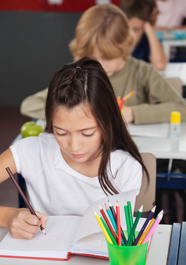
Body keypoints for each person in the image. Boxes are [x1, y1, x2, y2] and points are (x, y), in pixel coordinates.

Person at [0, 57, 148, 239]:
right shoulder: (32, 151)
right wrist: (6, 217)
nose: (74, 146)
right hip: (44, 259)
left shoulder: (125, 167)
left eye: (87, 133)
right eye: (61, 133)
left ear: (107, 122)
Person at [20, 4, 186, 124]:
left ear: (124, 48)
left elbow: (183, 109)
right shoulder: (78, 73)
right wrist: (78, 115)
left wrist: (133, 114)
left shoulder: (141, 72)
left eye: (108, 58)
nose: (99, 67)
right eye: (93, 59)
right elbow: (30, 104)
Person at [119, 0, 167, 70]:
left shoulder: (148, 39)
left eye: (136, 29)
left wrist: (149, 28)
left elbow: (160, 65)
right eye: (126, 28)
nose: (130, 35)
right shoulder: (115, 38)